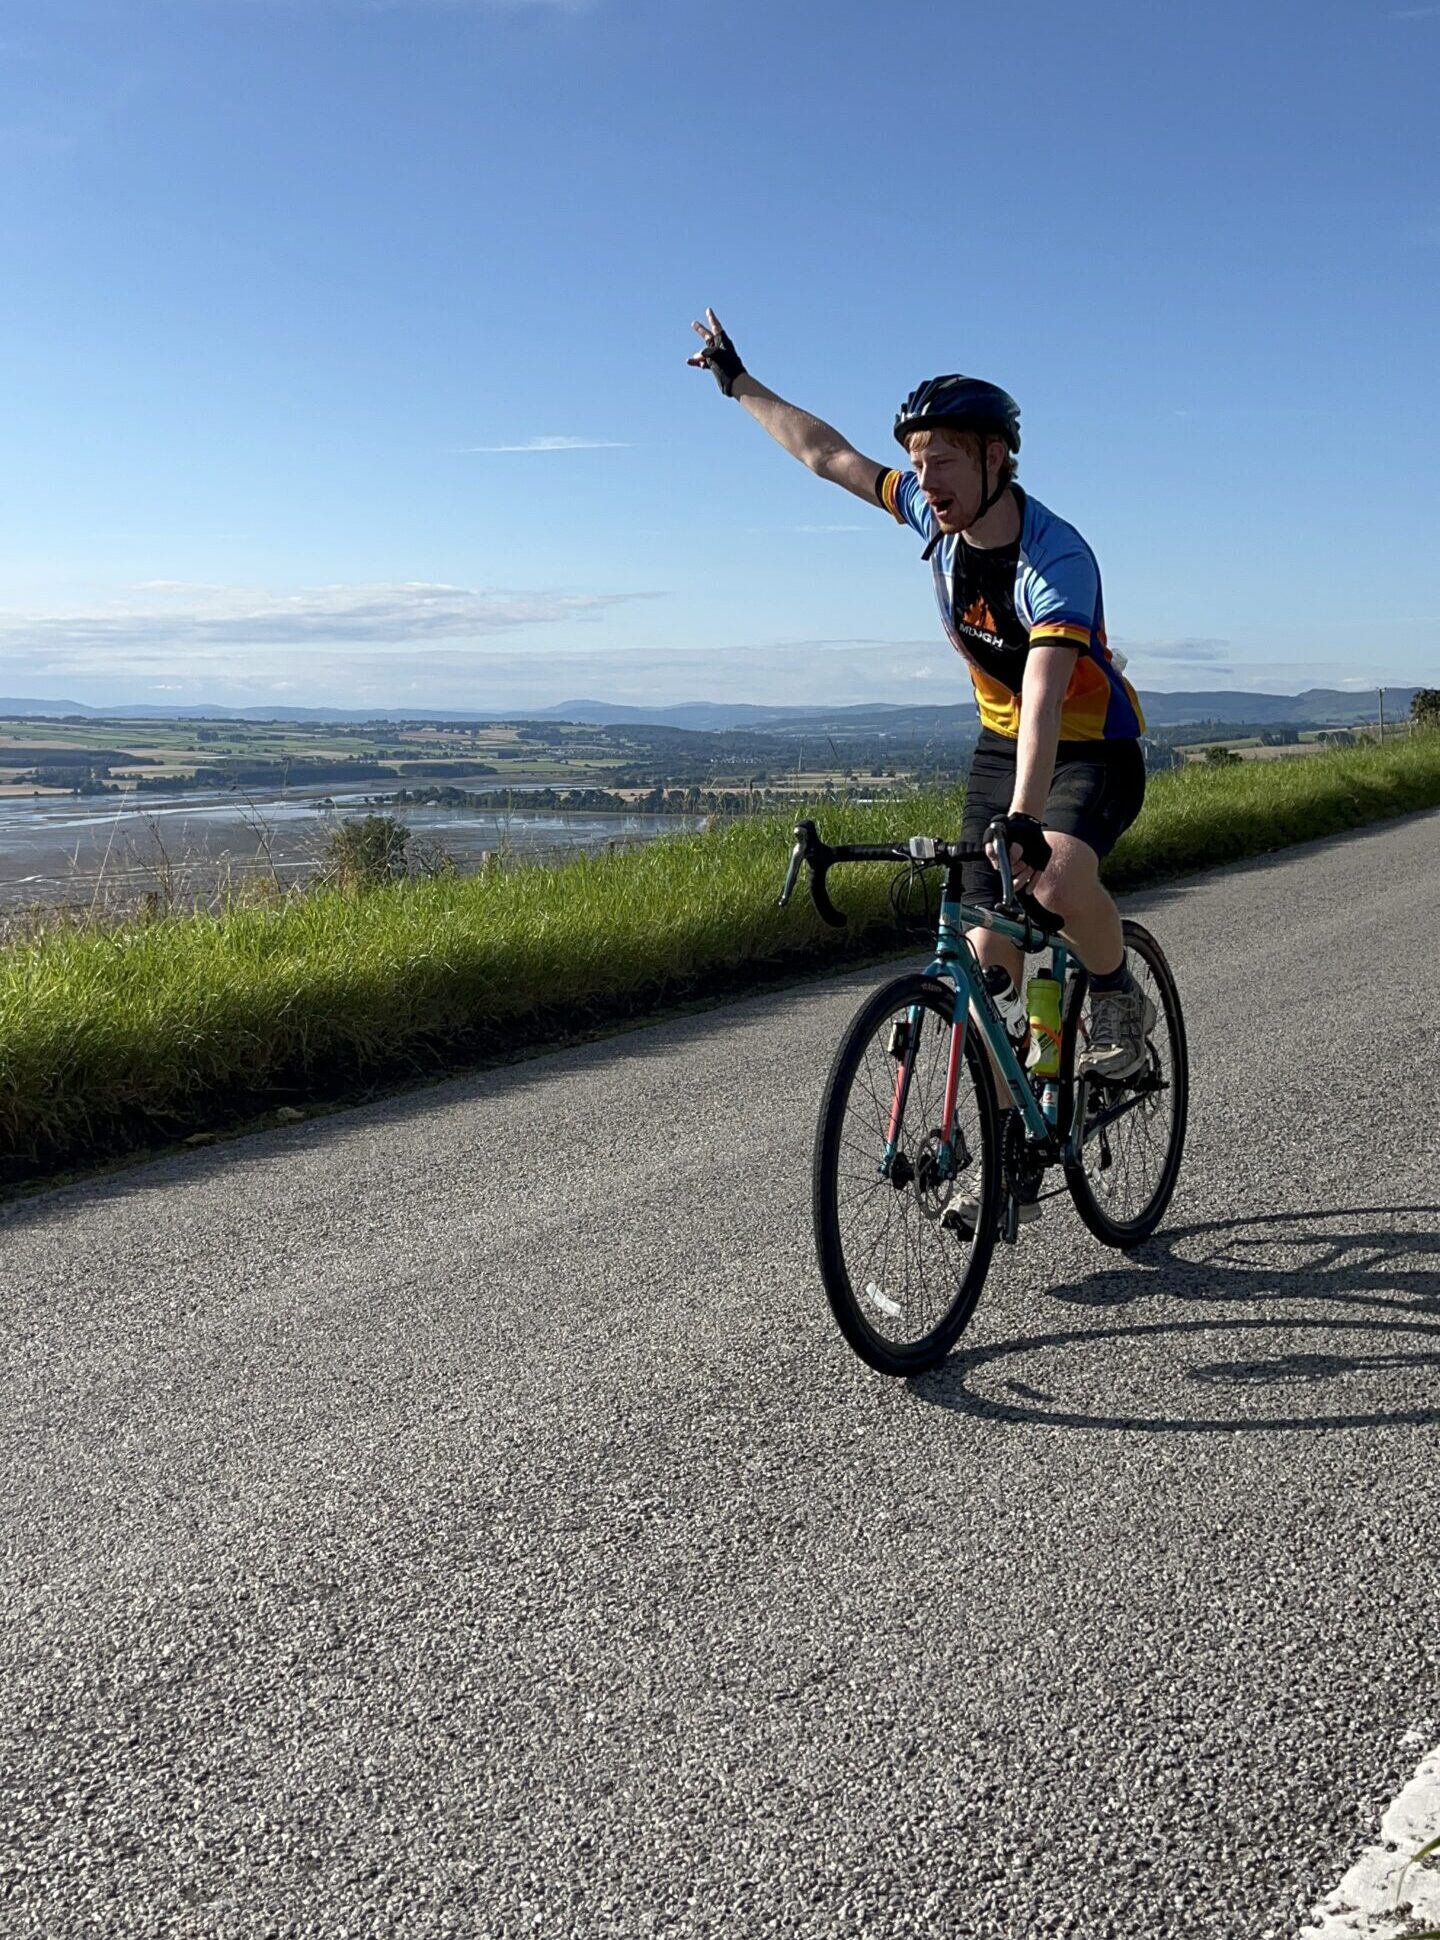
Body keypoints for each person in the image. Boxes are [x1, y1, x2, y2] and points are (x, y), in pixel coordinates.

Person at [687, 308, 1155, 1209]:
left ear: (996, 459)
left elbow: (1046, 701)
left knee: (1055, 876)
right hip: (1001, 746)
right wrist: (738, 383)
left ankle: (1115, 989)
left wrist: (1025, 827)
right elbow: (825, 454)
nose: (924, 477)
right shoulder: (931, 521)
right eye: (917, 458)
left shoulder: (1055, 559)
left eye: (943, 459)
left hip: (1092, 747)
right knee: (985, 962)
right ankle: (1011, 1149)